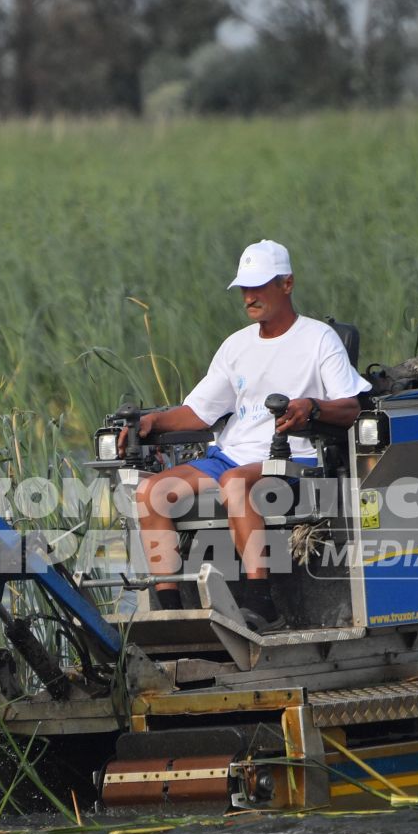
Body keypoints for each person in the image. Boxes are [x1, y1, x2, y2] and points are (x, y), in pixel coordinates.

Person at [134, 239, 370, 625]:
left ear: (287, 284)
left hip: (294, 460)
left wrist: (311, 407)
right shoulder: (235, 346)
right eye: (244, 288)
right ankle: (172, 612)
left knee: (234, 483)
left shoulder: (318, 339)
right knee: (150, 491)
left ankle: (262, 603)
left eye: (258, 286)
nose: (249, 297)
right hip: (230, 456)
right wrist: (152, 422)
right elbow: (198, 412)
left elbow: (351, 406)